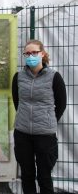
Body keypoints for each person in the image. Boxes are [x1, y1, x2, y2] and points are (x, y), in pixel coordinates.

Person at [12, 39, 67, 194]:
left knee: (44, 176)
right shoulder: (18, 77)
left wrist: (48, 120)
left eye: (34, 52)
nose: (30, 56)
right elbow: (18, 102)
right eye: (27, 53)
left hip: (45, 135)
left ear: (42, 54)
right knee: (27, 175)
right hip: (22, 134)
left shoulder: (54, 77)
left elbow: (61, 104)